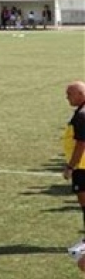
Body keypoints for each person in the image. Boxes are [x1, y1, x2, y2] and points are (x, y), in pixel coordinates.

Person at [62, 81, 85, 242]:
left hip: (82, 166)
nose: (67, 98)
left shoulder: (82, 115)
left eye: (69, 94)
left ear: (81, 94)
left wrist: (70, 166)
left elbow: (81, 143)